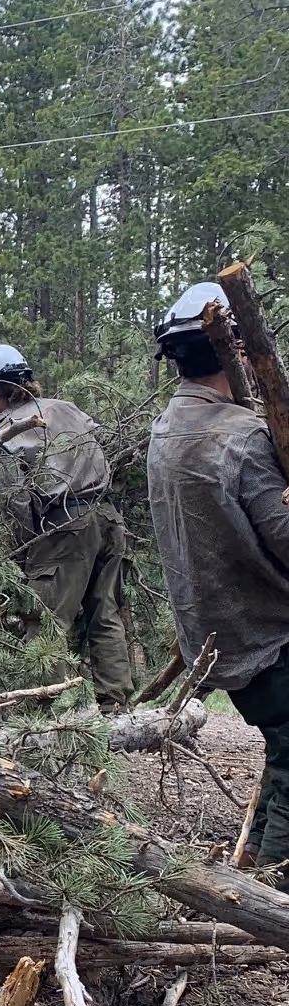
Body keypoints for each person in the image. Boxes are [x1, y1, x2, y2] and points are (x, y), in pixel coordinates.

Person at [148, 282, 289, 877]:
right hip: (265, 634)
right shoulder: (243, 436)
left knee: (283, 748)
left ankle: (255, 855)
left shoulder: (164, 429)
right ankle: (276, 886)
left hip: (211, 636)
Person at [0, 343, 132, 710]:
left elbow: (15, 500)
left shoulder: (8, 430)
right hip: (107, 518)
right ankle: (116, 705)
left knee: (46, 621)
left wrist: (21, 554)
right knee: (104, 614)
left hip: (63, 527)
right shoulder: (68, 409)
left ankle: (40, 715)